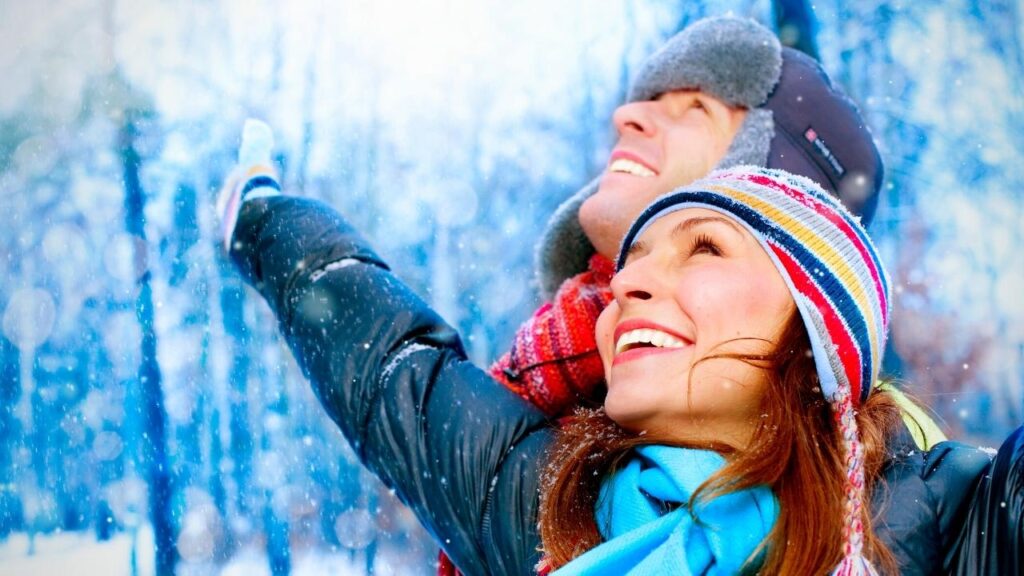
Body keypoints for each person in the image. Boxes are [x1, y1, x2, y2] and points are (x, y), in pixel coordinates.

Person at [220, 157, 1022, 573]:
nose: (628, 282)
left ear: (815, 330)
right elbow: (392, 366)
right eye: (631, 263)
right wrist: (264, 217)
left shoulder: (955, 521)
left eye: (704, 248)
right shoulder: (544, 507)